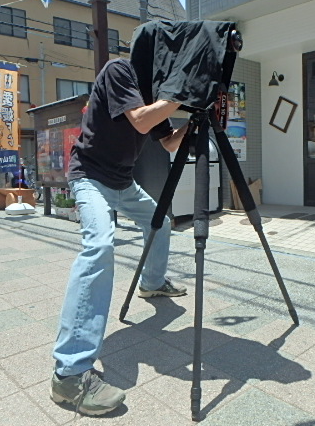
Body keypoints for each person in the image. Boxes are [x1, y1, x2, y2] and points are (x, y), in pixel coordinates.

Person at [50, 58, 188, 416]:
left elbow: (169, 142)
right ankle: (69, 374)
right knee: (99, 246)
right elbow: (141, 119)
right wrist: (183, 93)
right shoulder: (120, 71)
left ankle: (152, 283)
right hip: (90, 177)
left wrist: (195, 122)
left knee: (162, 222)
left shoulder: (158, 96)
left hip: (123, 182)